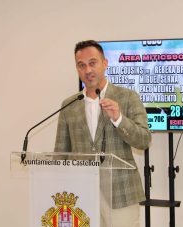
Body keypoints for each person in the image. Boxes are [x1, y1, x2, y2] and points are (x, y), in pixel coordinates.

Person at [54, 40, 151, 227]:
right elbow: (60, 154)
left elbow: (144, 140)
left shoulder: (128, 97)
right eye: (81, 65)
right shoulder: (68, 105)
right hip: (80, 196)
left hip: (121, 194)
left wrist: (119, 119)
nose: (88, 70)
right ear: (77, 68)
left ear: (105, 63)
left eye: (93, 63)